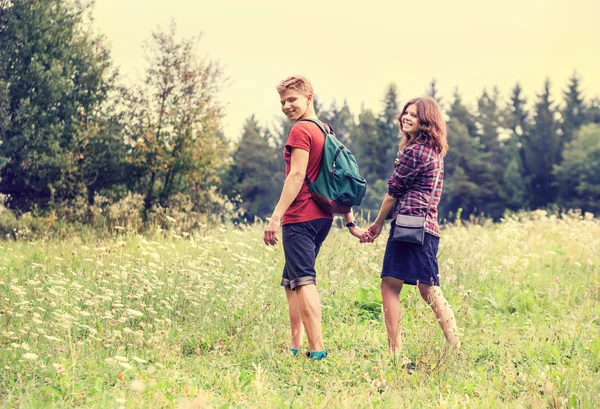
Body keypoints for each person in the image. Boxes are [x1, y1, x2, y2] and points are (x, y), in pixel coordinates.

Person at [263, 75, 368, 360]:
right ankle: (295, 346)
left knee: (304, 280)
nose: (286, 106)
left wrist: (275, 218)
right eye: (283, 101)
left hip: (301, 216)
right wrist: (350, 222)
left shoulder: (301, 130)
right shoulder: (326, 130)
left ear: (309, 97)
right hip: (322, 218)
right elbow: (337, 180)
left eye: (292, 99)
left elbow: (296, 175)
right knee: (291, 281)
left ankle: (317, 351)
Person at [365, 97, 461, 355]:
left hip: (409, 225)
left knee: (393, 285)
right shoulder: (435, 152)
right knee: (427, 287)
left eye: (413, 115)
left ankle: (395, 352)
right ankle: (455, 347)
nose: (406, 117)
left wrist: (376, 224)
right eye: (405, 113)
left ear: (426, 121)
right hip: (428, 227)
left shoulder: (414, 151)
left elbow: (393, 191)